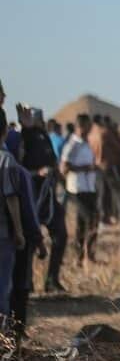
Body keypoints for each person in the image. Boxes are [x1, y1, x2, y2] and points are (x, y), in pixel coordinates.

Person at [15, 104, 68, 293]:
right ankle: (26, 283)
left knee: (60, 234)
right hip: (29, 196)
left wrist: (56, 174)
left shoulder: (43, 136)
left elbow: (52, 159)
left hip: (47, 197)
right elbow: (18, 168)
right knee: (29, 241)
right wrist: (37, 173)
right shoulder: (23, 138)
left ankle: (52, 280)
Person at [3, 129, 45, 343]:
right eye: (20, 146)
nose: (22, 150)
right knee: (19, 288)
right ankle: (15, 338)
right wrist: (38, 239)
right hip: (17, 240)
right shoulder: (18, 171)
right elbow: (28, 210)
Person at [60, 114, 99, 265]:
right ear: (80, 126)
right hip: (76, 189)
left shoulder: (86, 143)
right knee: (91, 218)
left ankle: (84, 256)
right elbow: (64, 167)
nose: (90, 129)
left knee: (84, 222)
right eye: (88, 126)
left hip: (89, 188)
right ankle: (85, 254)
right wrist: (84, 168)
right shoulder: (72, 145)